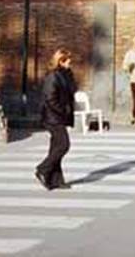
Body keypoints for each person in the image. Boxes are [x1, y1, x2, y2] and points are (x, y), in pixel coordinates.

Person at [36, 48, 76, 190]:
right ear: (60, 61)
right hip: (52, 117)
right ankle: (43, 168)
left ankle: (56, 180)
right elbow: (50, 98)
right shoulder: (52, 76)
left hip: (59, 116)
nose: (70, 62)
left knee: (55, 147)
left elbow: (70, 91)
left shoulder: (65, 74)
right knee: (63, 145)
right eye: (67, 59)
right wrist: (64, 110)